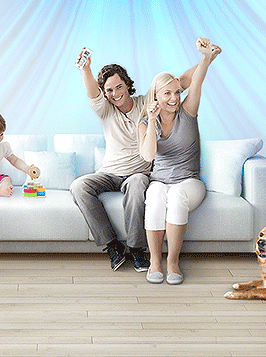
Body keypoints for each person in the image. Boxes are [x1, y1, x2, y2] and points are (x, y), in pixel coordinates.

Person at [70, 47, 199, 272]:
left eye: (119, 86)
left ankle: (137, 249)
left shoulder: (145, 104)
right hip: (109, 173)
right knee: (78, 186)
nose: (115, 93)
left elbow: (179, 83)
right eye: (109, 90)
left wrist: (206, 60)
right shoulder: (105, 110)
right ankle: (112, 246)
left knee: (138, 184)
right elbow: (92, 92)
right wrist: (85, 69)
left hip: (138, 174)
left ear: (127, 85)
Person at [138, 38, 221, 285]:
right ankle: (155, 261)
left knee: (176, 196)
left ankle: (173, 262)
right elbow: (148, 156)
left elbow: (197, 82)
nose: (174, 98)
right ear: (156, 96)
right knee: (154, 196)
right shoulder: (145, 123)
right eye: (167, 93)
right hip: (160, 181)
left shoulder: (188, 112)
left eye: (177, 92)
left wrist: (205, 58)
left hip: (189, 182)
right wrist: (151, 121)